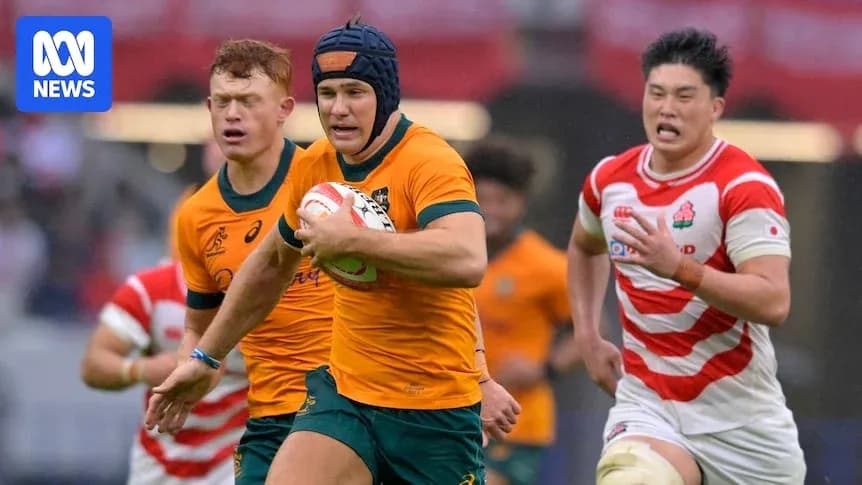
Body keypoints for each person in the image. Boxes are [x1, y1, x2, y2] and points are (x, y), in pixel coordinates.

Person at [147, 19, 521, 485]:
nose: (339, 109)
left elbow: (467, 260)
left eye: (355, 92)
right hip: (345, 395)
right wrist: (206, 358)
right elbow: (270, 264)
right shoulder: (316, 166)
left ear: (385, 96)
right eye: (328, 94)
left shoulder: (430, 160)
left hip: (433, 410)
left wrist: (354, 241)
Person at [567, 28, 806, 484]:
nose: (666, 108)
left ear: (715, 108)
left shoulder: (744, 187)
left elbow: (773, 301)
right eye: (656, 94)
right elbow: (583, 246)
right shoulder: (609, 181)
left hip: (741, 424)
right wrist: (587, 333)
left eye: (683, 96)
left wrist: (678, 267)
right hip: (648, 408)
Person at [150, 39, 337, 485]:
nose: (233, 114)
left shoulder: (330, 175)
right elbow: (200, 322)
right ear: (209, 107)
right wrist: (191, 368)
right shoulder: (195, 214)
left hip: (349, 405)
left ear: (284, 109)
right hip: (269, 413)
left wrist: (476, 376)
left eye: (250, 101)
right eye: (224, 102)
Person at [466, 138, 581, 485]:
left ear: (522, 203)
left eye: (502, 201)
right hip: (454, 414)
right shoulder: (447, 254)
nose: (491, 211)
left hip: (517, 424)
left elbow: (590, 329)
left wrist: (543, 369)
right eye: (482, 199)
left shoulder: (546, 265)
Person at [80, 260, 249, 485]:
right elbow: (93, 363)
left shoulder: (267, 289)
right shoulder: (150, 288)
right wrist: (139, 369)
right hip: (161, 461)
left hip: (240, 457)